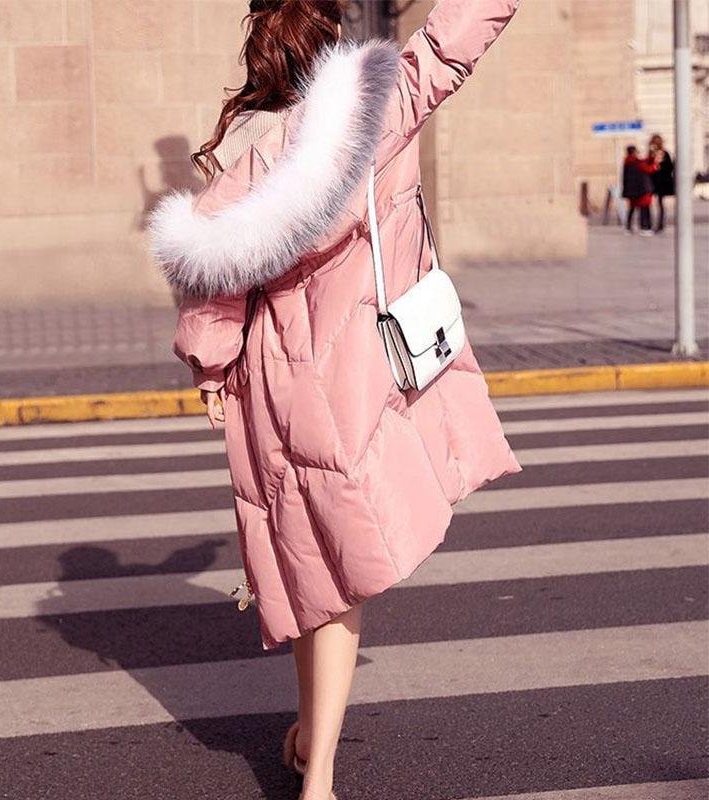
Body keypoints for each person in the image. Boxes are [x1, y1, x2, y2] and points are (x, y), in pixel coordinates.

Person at [148, 1, 522, 798]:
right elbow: (450, 44)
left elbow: (213, 273)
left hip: (277, 379)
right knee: (340, 571)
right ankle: (316, 763)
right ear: (333, 35)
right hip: (360, 368)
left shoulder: (251, 146)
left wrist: (210, 368)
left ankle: (313, 748)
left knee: (312, 565)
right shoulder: (382, 104)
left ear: (261, 44)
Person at [622, 144, 659, 236]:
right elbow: (649, 169)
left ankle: (628, 228)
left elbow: (644, 161)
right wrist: (655, 164)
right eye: (637, 152)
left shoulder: (627, 162)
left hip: (631, 191)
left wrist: (651, 156)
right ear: (634, 152)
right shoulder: (637, 163)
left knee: (632, 209)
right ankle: (645, 228)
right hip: (642, 190)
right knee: (644, 209)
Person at [648, 133, 675, 232]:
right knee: (652, 203)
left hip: (661, 182)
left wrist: (660, 168)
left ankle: (659, 224)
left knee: (659, 203)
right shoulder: (651, 154)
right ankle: (652, 224)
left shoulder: (664, 154)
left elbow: (670, 167)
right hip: (653, 181)